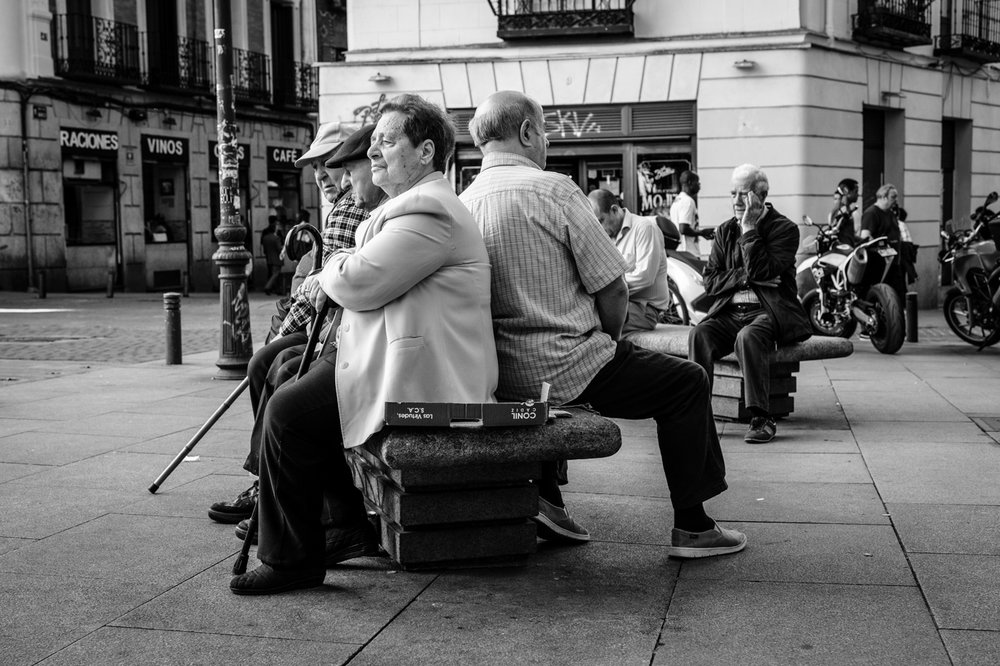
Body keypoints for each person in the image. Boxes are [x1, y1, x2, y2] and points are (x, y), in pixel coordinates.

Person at [230, 93, 498, 595]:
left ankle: (293, 559)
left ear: (424, 152)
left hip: (425, 376)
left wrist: (329, 271)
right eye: (373, 141)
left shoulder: (430, 211)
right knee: (290, 394)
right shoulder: (410, 206)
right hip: (384, 357)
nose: (373, 151)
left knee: (287, 415)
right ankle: (336, 526)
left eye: (387, 141)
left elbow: (359, 280)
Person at [459, 90, 745, 559]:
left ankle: (548, 496)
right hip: (567, 366)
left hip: (499, 373)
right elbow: (614, 289)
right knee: (688, 382)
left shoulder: (463, 201)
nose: (546, 141)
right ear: (527, 132)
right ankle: (694, 526)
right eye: (544, 131)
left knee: (559, 381)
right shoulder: (555, 190)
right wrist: (608, 340)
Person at [207, 124, 372, 527]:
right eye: (317, 167)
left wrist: (287, 331)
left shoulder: (354, 206)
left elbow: (327, 285)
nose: (323, 176)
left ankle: (271, 484)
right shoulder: (345, 205)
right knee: (266, 361)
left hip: (338, 329)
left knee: (274, 364)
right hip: (333, 323)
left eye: (331, 165)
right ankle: (266, 479)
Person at [688, 164, 812, 444]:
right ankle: (697, 413)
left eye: (743, 195)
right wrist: (747, 278)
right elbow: (711, 282)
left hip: (768, 312)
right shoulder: (723, 231)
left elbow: (760, 270)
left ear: (761, 195)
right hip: (730, 312)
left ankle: (761, 417)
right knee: (699, 334)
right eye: (732, 193)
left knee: (749, 337)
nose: (735, 201)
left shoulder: (785, 229)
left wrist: (749, 228)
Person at [588, 188, 672, 335]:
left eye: (601, 221)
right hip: (618, 303)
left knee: (593, 323)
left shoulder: (644, 227)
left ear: (614, 210)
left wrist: (608, 290)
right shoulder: (606, 236)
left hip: (644, 310)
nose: (600, 228)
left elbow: (645, 277)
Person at [860, 183, 905, 302]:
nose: (895, 200)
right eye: (893, 197)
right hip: (880, 264)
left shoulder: (890, 213)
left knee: (898, 296)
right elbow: (865, 237)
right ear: (883, 197)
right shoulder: (871, 213)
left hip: (894, 262)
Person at [670, 170, 713, 256]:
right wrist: (702, 232)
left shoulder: (677, 201)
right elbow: (683, 228)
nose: (699, 186)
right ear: (690, 183)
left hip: (679, 251)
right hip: (689, 252)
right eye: (697, 182)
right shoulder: (688, 201)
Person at [827, 178, 860, 247]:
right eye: (855, 191)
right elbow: (835, 233)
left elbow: (847, 234)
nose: (858, 195)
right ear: (847, 191)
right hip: (842, 252)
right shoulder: (841, 211)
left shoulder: (846, 210)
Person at [261, 217, 284, 295]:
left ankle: (276, 289)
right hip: (276, 258)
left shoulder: (265, 237)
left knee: (272, 273)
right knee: (276, 274)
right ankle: (268, 287)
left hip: (269, 257)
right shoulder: (276, 238)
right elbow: (279, 248)